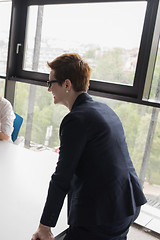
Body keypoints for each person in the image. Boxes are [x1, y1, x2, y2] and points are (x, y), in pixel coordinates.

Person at [31, 53, 147, 240]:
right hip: (128, 202)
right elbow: (106, 153)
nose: (49, 89)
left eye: (50, 83)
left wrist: (45, 226)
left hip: (103, 215)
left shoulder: (75, 119)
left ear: (67, 85)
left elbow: (61, 179)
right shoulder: (104, 109)